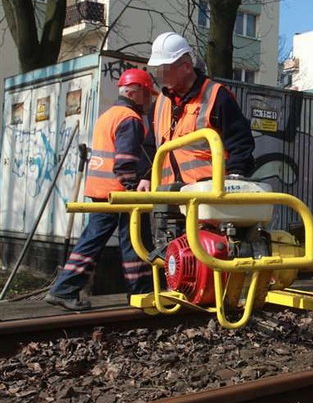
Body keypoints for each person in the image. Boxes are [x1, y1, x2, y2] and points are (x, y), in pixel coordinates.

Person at [46, 69, 158, 310]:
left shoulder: (109, 115)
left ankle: (65, 288)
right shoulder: (130, 119)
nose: (149, 100)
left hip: (101, 189)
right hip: (118, 191)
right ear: (134, 91)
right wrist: (132, 189)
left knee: (93, 239)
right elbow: (125, 161)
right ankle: (140, 290)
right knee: (136, 240)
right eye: (147, 94)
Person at [147, 32, 254, 184]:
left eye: (165, 69)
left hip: (206, 193)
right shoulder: (160, 104)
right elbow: (150, 146)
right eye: (158, 69)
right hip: (167, 194)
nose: (161, 75)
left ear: (186, 67)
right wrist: (145, 177)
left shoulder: (217, 96)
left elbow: (240, 141)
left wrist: (236, 175)